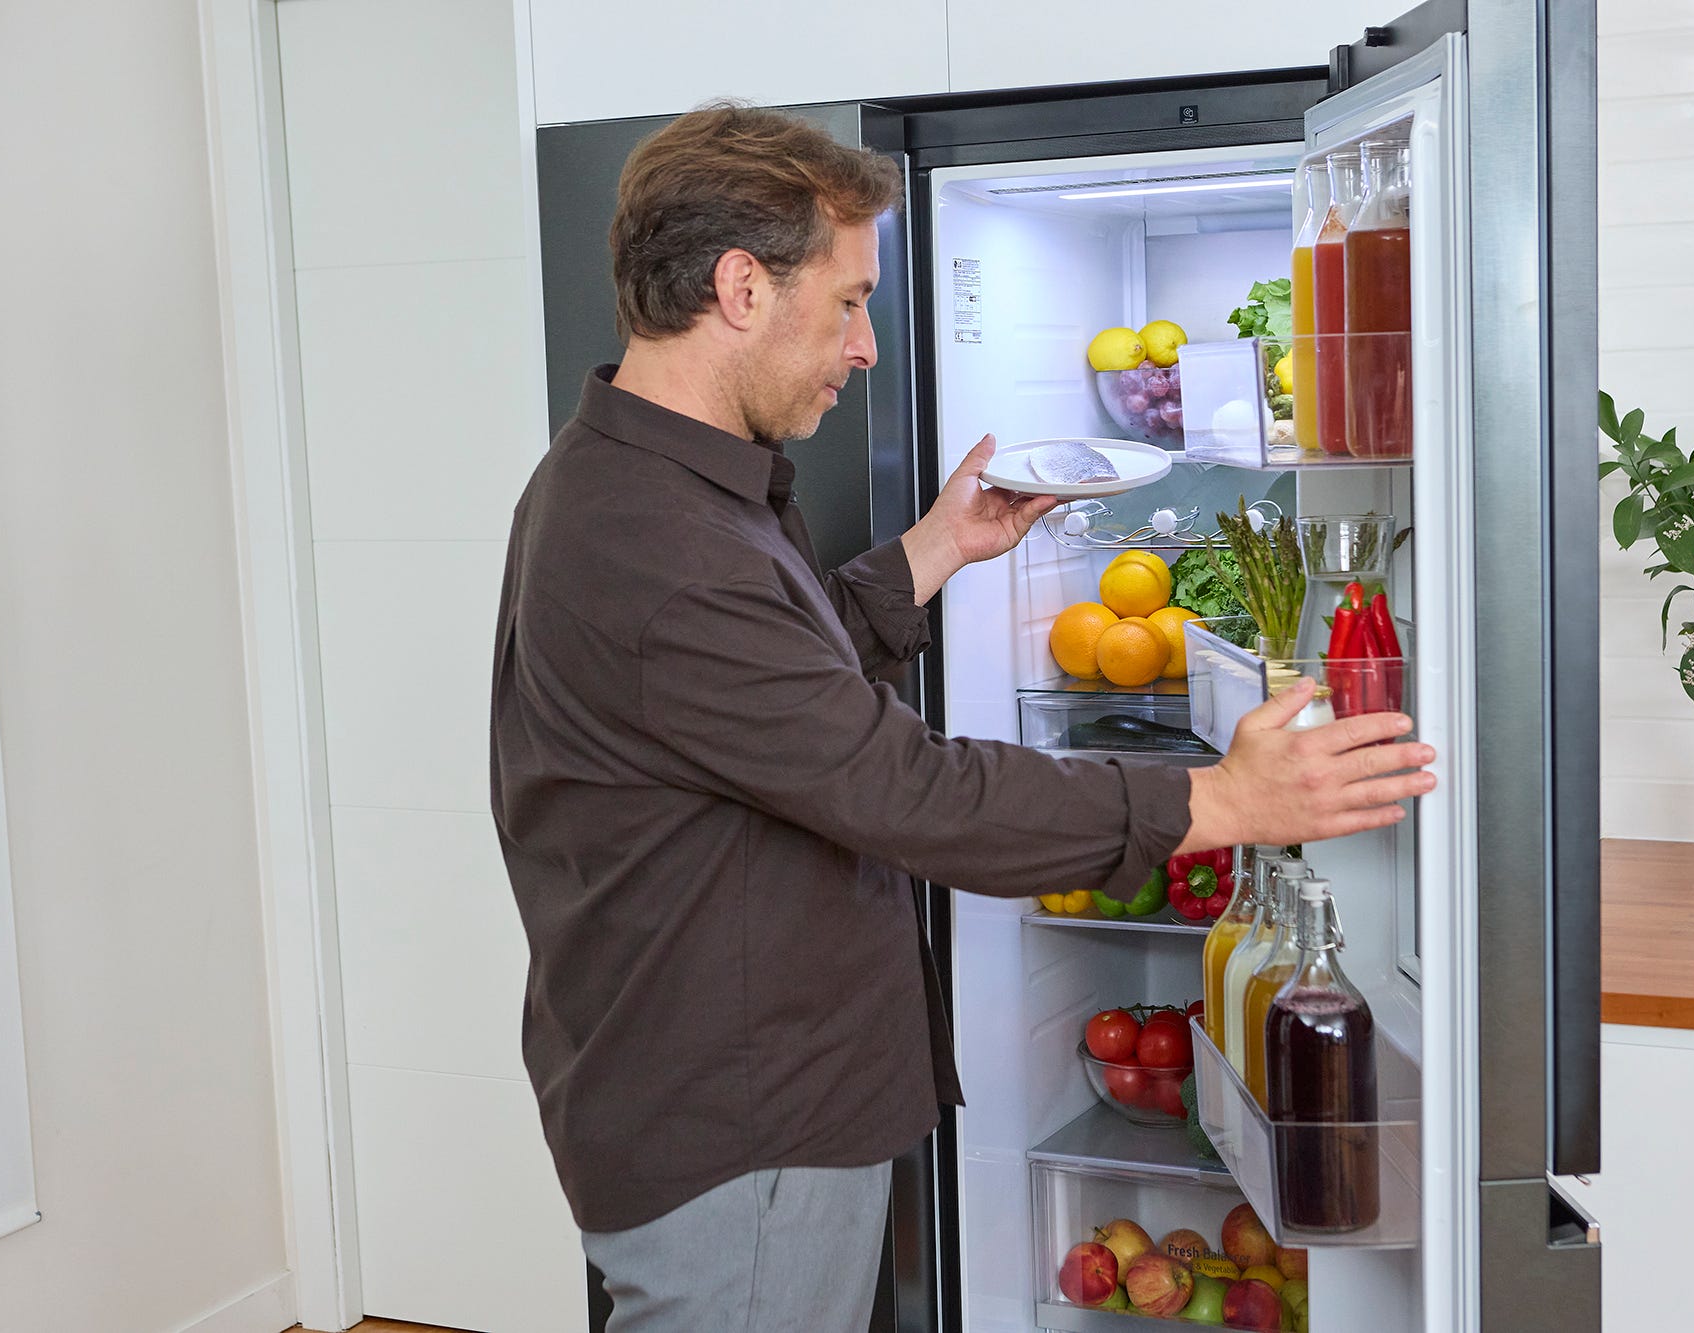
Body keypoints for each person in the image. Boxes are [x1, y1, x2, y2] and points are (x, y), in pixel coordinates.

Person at [489, 102, 1436, 1333]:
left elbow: (764, 684)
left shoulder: (641, 484)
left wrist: (932, 552)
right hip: (737, 1123)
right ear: (739, 288)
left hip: (729, 1094)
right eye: (847, 301)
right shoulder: (662, 545)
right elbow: (908, 791)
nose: (867, 344)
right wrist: (1217, 801)